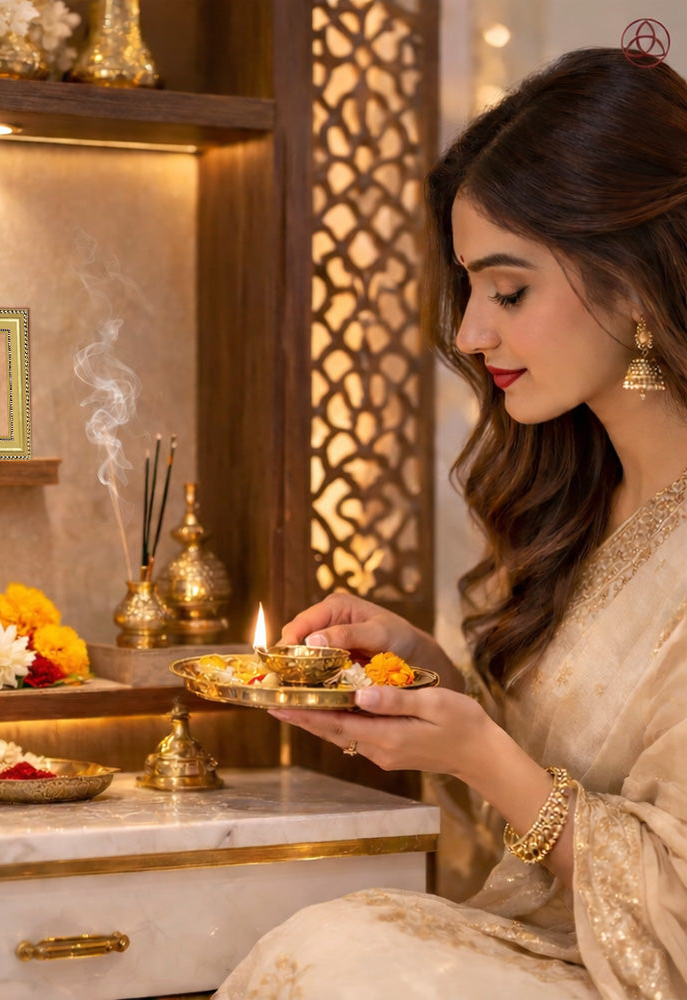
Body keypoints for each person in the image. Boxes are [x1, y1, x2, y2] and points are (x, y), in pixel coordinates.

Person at [215, 47, 687, 999]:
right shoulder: (575, 505)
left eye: (508, 291)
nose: (471, 334)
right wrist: (430, 686)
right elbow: (535, 804)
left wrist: (477, 751)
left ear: (634, 287)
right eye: (470, 289)